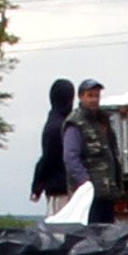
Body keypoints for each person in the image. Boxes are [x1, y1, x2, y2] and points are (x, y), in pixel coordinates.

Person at [74, 82, 128, 221]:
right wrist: (85, 183)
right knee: (92, 235)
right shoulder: (75, 123)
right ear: (80, 97)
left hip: (107, 192)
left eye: (96, 96)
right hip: (90, 195)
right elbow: (71, 157)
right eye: (90, 96)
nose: (94, 100)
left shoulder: (103, 121)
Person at [29, 79, 80, 213]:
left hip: (58, 189)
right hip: (72, 187)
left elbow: (48, 159)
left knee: (58, 230)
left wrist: (37, 185)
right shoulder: (71, 123)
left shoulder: (54, 125)